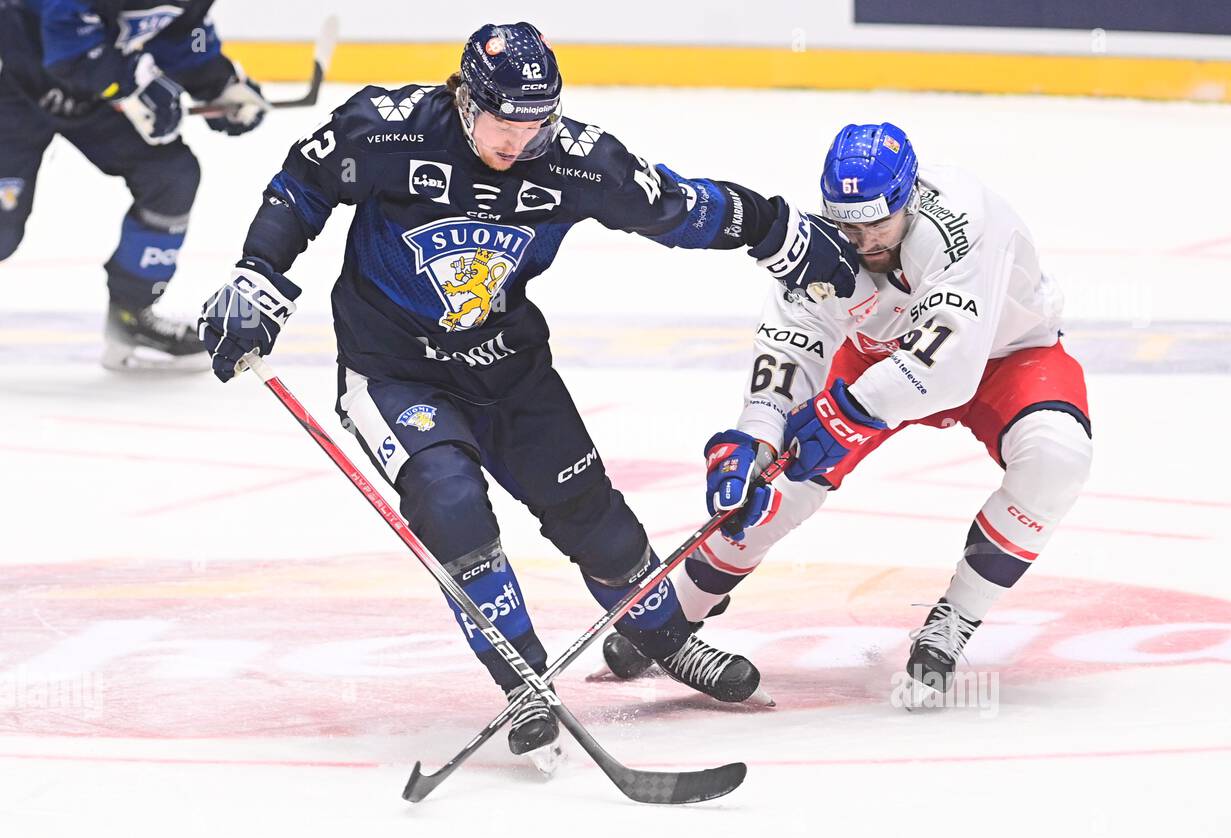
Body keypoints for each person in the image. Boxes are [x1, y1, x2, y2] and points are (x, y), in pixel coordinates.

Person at [197, 22, 860, 760]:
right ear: (463, 98)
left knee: (593, 520)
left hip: (510, 368)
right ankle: (522, 679)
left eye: (535, 123)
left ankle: (665, 639)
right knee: (449, 503)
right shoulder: (387, 131)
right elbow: (301, 185)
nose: (519, 141)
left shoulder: (580, 163)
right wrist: (258, 275)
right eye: (503, 122)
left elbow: (676, 207)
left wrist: (775, 230)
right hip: (393, 372)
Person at [603, 121, 1092, 704]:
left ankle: (956, 619)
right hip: (869, 361)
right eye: (846, 223)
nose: (861, 241)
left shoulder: (965, 219)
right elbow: (788, 350)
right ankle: (671, 614)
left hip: (1004, 355)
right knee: (769, 492)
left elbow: (951, 364)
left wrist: (846, 414)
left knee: (1057, 456)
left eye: (876, 224)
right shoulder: (821, 245)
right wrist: (755, 436)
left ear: (910, 198)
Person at [0, 0, 267, 370]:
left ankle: (131, 317)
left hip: (91, 96)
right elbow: (67, 44)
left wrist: (219, 86)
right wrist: (135, 83)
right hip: (12, 86)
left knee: (169, 175)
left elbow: (182, 36)